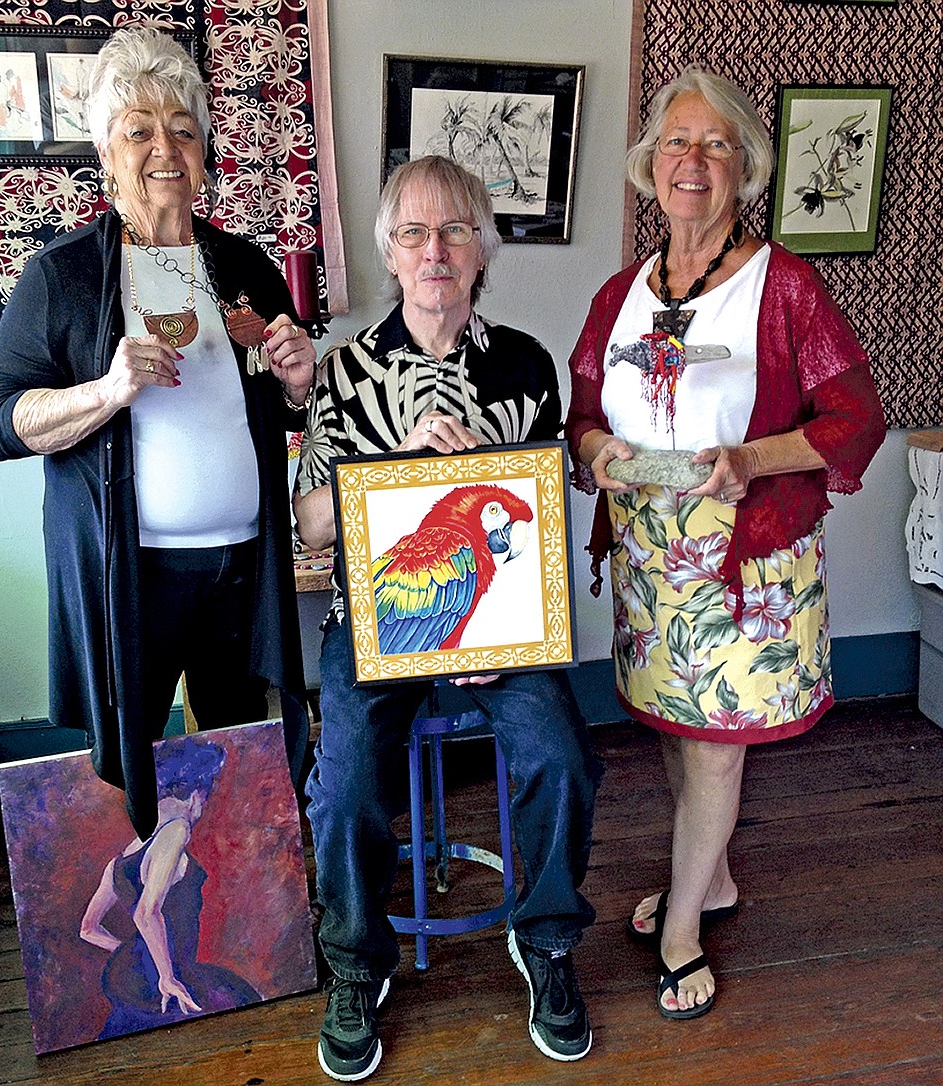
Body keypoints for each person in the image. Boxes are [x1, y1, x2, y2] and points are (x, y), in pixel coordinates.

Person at [565, 66, 885, 1021]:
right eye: (675, 144)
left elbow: (855, 417)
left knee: (715, 749)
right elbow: (582, 410)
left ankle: (681, 933)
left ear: (745, 170)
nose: (691, 162)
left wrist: (750, 458)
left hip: (747, 563)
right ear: (648, 167)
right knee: (675, 724)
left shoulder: (784, 285)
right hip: (650, 564)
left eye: (714, 145)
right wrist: (598, 453)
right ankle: (713, 880)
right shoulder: (623, 291)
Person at [295, 155, 602, 1081]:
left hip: (499, 620)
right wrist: (388, 465)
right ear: (389, 251)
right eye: (416, 233)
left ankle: (545, 939)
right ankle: (355, 962)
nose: (436, 251)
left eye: (457, 231)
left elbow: (539, 518)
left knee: (562, 751)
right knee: (344, 773)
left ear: (482, 253)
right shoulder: (345, 371)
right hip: (378, 621)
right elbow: (308, 518)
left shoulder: (523, 365)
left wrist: (486, 626)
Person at [0, 27, 313, 839]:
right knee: (126, 753)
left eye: (184, 129)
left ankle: (238, 921)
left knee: (238, 746)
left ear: (205, 151)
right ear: (106, 147)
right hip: (129, 571)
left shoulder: (244, 266)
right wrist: (106, 389)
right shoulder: (64, 275)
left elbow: (286, 404)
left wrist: (298, 382)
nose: (165, 147)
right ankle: (133, 931)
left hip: (241, 562)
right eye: (140, 128)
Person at [80, 738, 261, 1037]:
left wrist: (134, 954)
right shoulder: (177, 829)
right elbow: (146, 912)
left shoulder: (121, 859)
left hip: (134, 974)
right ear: (196, 794)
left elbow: (88, 929)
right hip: (165, 979)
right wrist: (166, 975)